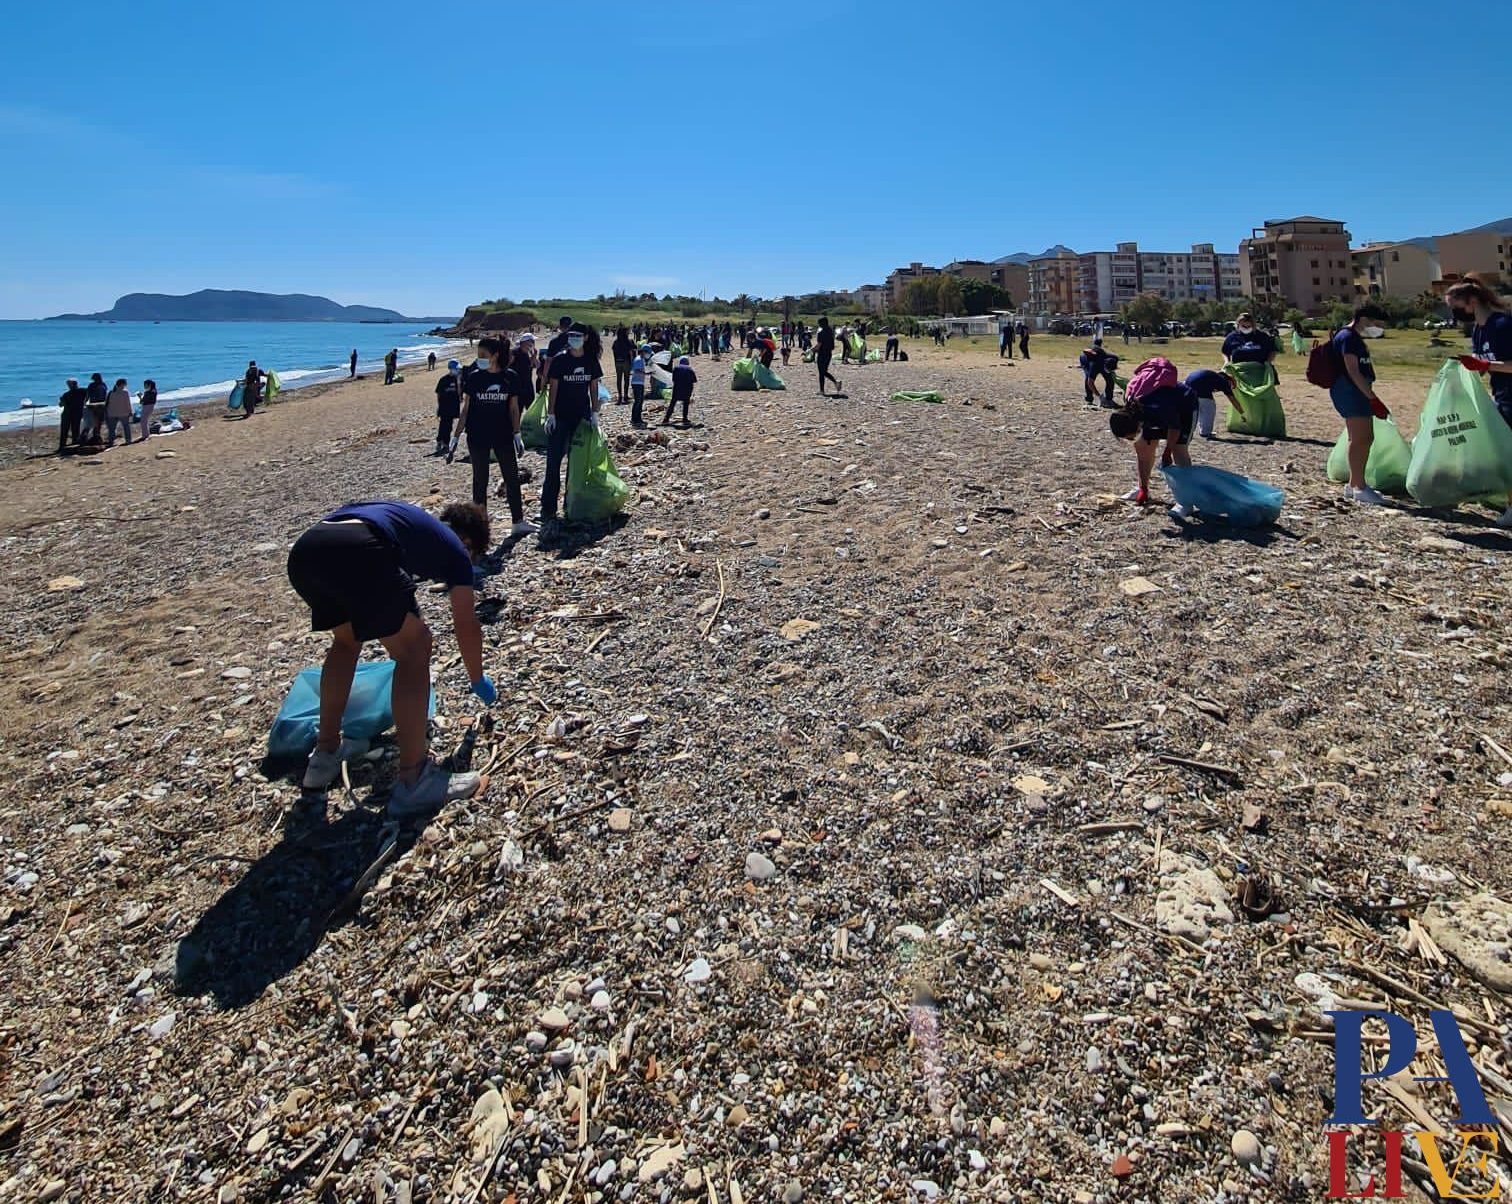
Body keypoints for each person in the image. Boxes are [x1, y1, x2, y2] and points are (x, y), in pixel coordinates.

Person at [286, 500, 494, 816]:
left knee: (346, 642)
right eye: (474, 557)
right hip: (359, 549)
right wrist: (477, 677)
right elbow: (465, 623)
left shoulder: (414, 524)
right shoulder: (454, 550)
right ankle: (414, 780)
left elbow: (396, 598)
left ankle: (325, 753)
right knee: (416, 648)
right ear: (468, 545)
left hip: (308, 550)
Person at [1447, 275, 1512, 528]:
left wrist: (1486, 364)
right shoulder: (1478, 329)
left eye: (1456, 306)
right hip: (1501, 395)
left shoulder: (1503, 325)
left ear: (1472, 301)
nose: (1455, 312)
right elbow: (1482, 363)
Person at [455, 336, 535, 537]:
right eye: (478, 355)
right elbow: (465, 409)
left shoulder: (509, 377)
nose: (479, 358)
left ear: (495, 355)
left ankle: (518, 521)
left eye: (484, 355)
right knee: (480, 481)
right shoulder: (474, 377)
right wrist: (455, 437)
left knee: (511, 478)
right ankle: (480, 528)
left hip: (503, 434)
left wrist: (517, 434)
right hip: (477, 435)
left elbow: (514, 409)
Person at [541, 325, 604, 535]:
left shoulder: (590, 361)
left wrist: (595, 413)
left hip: (581, 417)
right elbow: (553, 387)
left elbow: (594, 387)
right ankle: (548, 509)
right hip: (560, 418)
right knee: (553, 464)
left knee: (576, 465)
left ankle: (571, 505)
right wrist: (550, 414)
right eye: (572, 336)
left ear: (585, 338)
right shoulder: (560, 360)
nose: (575, 339)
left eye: (578, 336)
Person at [1328, 303, 1392, 507]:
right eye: (1376, 322)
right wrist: (1372, 398)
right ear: (1364, 318)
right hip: (1352, 391)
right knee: (1361, 439)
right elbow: (1353, 371)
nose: (1377, 327)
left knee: (1362, 438)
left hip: (1357, 390)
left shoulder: (1352, 337)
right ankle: (1360, 487)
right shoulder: (1347, 337)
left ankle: (1354, 483)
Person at [1110, 379, 1197, 516]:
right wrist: (1143, 488)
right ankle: (1142, 488)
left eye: (1131, 436)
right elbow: (1142, 452)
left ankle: (1186, 503)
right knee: (1143, 448)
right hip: (1153, 413)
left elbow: (1175, 428)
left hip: (1184, 406)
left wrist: (1167, 451)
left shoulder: (1158, 408)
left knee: (1179, 450)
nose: (1131, 439)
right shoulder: (1131, 405)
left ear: (1137, 425)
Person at [1185, 368, 1241, 439]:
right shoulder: (1224, 382)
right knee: (1209, 408)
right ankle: (1206, 432)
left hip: (1187, 386)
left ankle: (1189, 430)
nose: (1230, 388)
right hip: (1199, 388)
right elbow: (1233, 400)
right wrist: (1242, 413)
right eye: (1232, 385)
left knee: (1195, 409)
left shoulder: (1215, 377)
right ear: (1229, 381)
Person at [1222, 313, 1278, 381]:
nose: (1246, 328)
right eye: (1243, 326)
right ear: (1238, 324)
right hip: (1239, 373)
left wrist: (1268, 363)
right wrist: (1226, 362)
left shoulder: (1262, 336)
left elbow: (1272, 350)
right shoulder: (1232, 337)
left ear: (1253, 325)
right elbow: (1225, 351)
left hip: (1260, 372)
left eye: (1248, 326)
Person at [539, 315, 574, 394]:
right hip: (572, 374)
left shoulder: (554, 341)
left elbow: (548, 361)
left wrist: (544, 378)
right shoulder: (575, 340)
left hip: (557, 375)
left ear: (560, 327)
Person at [434, 359, 463, 455]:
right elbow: (438, 393)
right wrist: (439, 405)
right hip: (444, 406)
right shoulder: (443, 380)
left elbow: (460, 394)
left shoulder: (458, 380)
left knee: (449, 425)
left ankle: (445, 442)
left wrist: (459, 382)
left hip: (453, 406)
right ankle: (441, 442)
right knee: (444, 424)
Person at [1080, 338, 1113, 406]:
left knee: (1110, 380)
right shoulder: (1095, 364)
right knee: (1088, 378)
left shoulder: (1108, 357)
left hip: (1101, 361)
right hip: (1085, 360)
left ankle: (1109, 399)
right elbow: (1090, 382)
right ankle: (1089, 399)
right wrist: (1099, 396)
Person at [57, 378, 87, 453]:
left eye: (69, 384)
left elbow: (61, 405)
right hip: (77, 413)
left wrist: (62, 401)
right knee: (75, 430)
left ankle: (62, 446)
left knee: (65, 430)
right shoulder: (83, 391)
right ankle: (74, 444)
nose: (69, 386)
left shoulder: (67, 394)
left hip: (68, 413)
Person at [664, 355, 696, 426]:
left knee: (672, 403)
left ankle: (666, 418)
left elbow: (673, 379)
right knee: (685, 404)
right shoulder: (690, 369)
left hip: (677, 389)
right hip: (687, 389)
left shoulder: (676, 368)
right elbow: (694, 380)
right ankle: (685, 418)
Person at [815, 316, 842, 396]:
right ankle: (836, 382)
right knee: (824, 371)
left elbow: (819, 344)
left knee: (821, 372)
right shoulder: (830, 331)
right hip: (829, 353)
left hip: (822, 354)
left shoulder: (820, 333)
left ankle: (822, 390)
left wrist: (812, 350)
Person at [104, 378, 133, 446]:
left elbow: (107, 403)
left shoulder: (111, 392)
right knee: (126, 427)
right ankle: (128, 440)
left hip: (112, 413)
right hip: (123, 413)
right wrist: (130, 411)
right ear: (123, 384)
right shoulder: (125, 392)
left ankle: (111, 442)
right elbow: (127, 403)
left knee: (112, 429)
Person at [612, 326, 635, 405]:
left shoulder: (616, 342)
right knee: (626, 379)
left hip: (618, 362)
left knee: (619, 379)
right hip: (626, 361)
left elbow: (614, 352)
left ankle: (619, 396)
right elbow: (631, 352)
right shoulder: (628, 341)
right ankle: (625, 395)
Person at [84, 373, 108, 443]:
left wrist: (85, 403)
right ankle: (96, 435)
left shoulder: (91, 385)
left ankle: (94, 436)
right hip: (101, 404)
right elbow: (105, 394)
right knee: (99, 421)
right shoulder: (103, 384)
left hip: (93, 405)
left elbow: (87, 395)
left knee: (93, 421)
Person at [629, 344, 649, 426]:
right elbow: (636, 370)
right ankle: (634, 419)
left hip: (640, 382)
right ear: (643, 352)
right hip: (637, 383)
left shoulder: (641, 359)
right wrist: (645, 372)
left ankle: (638, 418)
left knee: (640, 401)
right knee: (637, 401)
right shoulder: (638, 359)